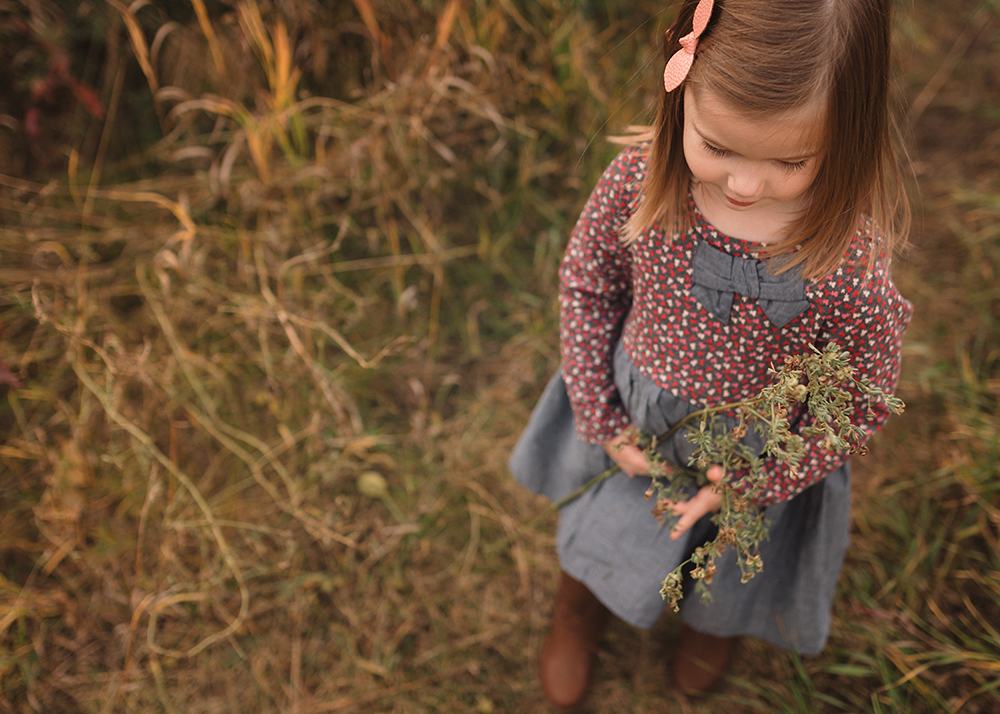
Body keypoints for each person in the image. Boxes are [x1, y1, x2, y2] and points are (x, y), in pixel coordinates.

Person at [508, 0, 913, 709]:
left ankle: (712, 629)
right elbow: (587, 286)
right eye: (719, 147)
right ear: (679, 94)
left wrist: (765, 477)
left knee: (729, 570)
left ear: (848, 134)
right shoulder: (641, 183)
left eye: (791, 159)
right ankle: (577, 612)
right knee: (599, 534)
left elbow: (864, 397)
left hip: (757, 453)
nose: (746, 185)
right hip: (642, 428)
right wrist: (600, 417)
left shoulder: (849, 256)